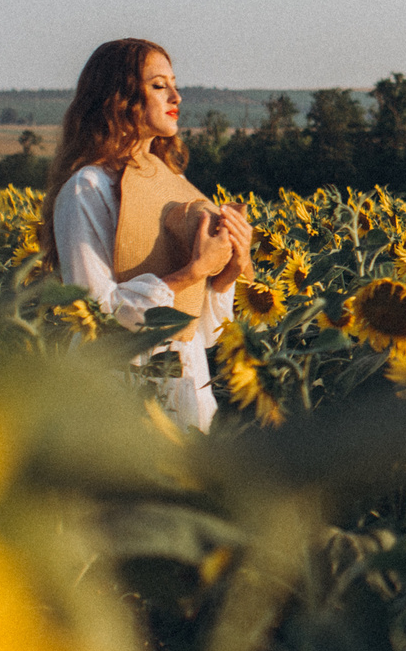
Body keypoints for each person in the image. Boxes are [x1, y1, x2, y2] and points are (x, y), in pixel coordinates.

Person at [40, 38, 253, 428]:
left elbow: (200, 332)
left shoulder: (172, 184)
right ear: (118, 99)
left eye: (174, 84)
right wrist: (194, 270)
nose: (176, 96)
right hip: (117, 388)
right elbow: (95, 313)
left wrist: (226, 271)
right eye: (158, 85)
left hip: (184, 377)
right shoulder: (88, 189)